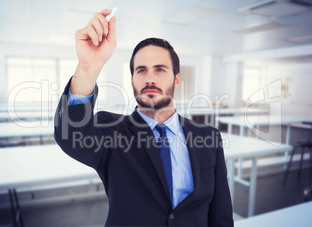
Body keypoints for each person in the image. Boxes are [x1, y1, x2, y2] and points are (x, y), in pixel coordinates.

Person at [54, 9, 233, 226]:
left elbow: (220, 214)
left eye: (160, 69)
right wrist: (88, 68)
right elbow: (70, 136)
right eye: (141, 70)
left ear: (177, 79)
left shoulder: (208, 137)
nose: (150, 79)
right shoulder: (111, 131)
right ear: (132, 81)